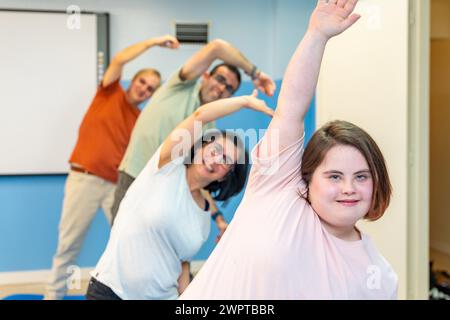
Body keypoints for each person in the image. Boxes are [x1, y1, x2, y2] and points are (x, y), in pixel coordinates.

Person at [180, 0, 398, 300]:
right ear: (307, 178)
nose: (349, 188)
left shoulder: (381, 277)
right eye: (334, 176)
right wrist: (317, 35)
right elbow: (291, 109)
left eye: (361, 176)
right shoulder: (278, 191)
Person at [85, 90, 274, 300]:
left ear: (225, 176)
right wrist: (244, 101)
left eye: (226, 160)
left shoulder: (203, 219)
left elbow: (180, 263)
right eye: (215, 149)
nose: (216, 159)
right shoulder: (166, 166)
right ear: (201, 147)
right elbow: (199, 116)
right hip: (110, 292)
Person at [44, 35, 180, 300]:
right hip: (85, 179)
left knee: (129, 243)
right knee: (68, 244)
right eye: (142, 82)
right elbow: (119, 59)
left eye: (151, 89)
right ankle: (53, 295)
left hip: (117, 188)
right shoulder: (109, 93)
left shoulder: (140, 120)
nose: (144, 89)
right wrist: (153, 43)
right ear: (133, 81)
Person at [110, 37, 277, 237]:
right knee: (121, 242)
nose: (222, 88)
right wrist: (255, 73)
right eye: (220, 79)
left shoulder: (209, 133)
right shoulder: (180, 86)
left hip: (164, 190)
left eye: (229, 88)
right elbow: (217, 47)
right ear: (206, 76)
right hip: (134, 175)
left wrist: (219, 220)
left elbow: (200, 176)